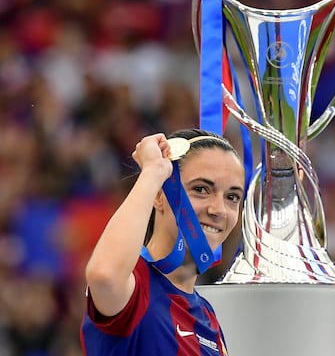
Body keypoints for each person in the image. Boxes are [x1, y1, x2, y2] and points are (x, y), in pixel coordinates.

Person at [80, 129, 245, 355]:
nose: (219, 210)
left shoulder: (207, 316)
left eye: (232, 197)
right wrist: (152, 171)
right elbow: (104, 275)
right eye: (200, 189)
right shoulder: (137, 287)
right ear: (159, 195)